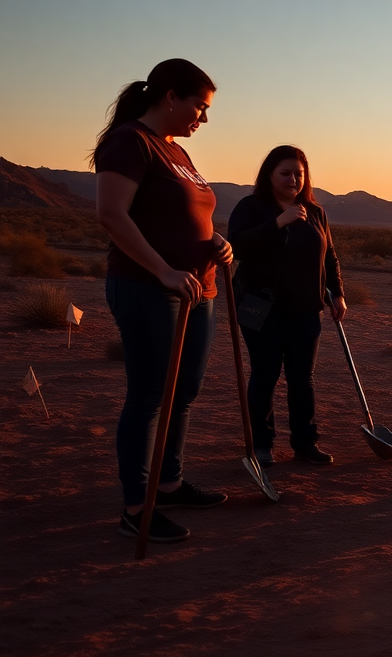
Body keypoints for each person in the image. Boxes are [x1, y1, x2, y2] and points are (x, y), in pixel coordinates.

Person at [93, 59, 233, 544]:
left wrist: (216, 242)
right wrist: (164, 269)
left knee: (184, 393)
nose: (204, 118)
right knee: (151, 396)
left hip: (198, 288)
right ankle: (137, 505)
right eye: (200, 105)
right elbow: (111, 214)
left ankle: (167, 483)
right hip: (147, 287)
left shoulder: (177, 152)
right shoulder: (130, 142)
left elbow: (186, 214)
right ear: (170, 96)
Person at [227, 146, 346, 466]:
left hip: (306, 309)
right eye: (285, 173)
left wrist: (337, 292)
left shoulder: (316, 212)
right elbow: (237, 246)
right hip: (262, 308)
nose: (293, 179)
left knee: (302, 378)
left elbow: (330, 256)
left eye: (299, 174)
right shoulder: (251, 207)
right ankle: (261, 445)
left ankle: (305, 443)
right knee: (264, 375)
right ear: (270, 174)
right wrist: (279, 221)